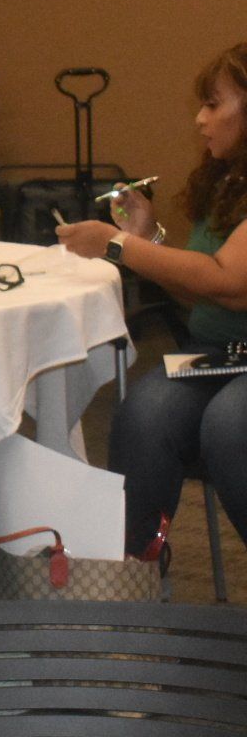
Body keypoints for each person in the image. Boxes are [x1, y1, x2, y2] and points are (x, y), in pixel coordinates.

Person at [57, 43, 247, 554]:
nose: (200, 118)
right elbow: (198, 291)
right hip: (223, 358)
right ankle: (134, 573)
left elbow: (228, 284)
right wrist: (147, 239)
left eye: (213, 104)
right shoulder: (229, 179)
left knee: (231, 424)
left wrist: (118, 244)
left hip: (236, 370)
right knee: (144, 412)